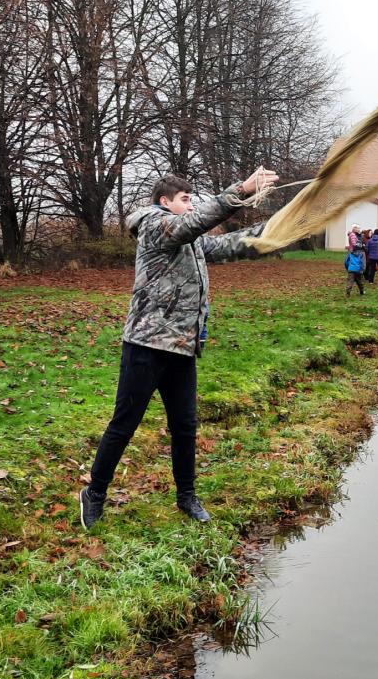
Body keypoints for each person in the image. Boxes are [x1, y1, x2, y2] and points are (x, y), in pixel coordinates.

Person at [80, 167, 279, 529]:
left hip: (182, 348)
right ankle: (94, 493)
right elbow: (195, 222)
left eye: (191, 199)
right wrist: (242, 190)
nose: (190, 205)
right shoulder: (155, 226)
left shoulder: (190, 240)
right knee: (124, 424)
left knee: (185, 426)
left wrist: (283, 227)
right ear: (164, 201)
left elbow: (230, 244)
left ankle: (186, 496)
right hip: (146, 346)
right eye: (185, 200)